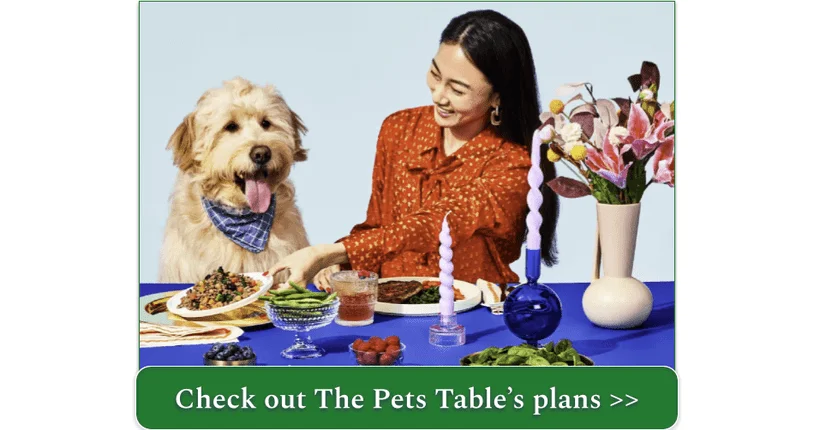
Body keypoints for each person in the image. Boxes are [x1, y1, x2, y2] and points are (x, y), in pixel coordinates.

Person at [270, 9, 559, 290]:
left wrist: (330, 252)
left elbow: (438, 223)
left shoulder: (515, 163)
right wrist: (341, 263)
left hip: (475, 312)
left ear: (496, 97)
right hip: (392, 306)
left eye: (457, 90)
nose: (438, 95)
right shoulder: (399, 128)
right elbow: (378, 225)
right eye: (435, 74)